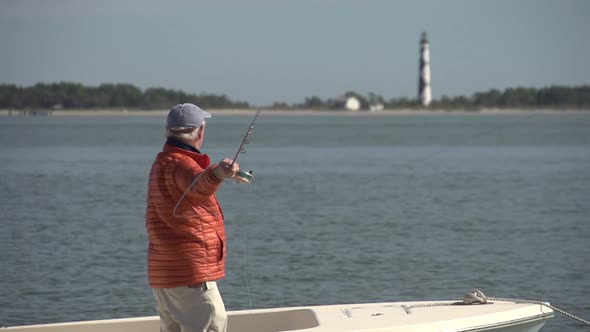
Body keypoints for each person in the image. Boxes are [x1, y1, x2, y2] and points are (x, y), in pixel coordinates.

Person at [145, 103, 239, 332]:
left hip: (165, 275)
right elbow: (197, 184)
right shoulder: (181, 164)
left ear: (168, 131)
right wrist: (218, 173)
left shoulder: (161, 162)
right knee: (212, 324)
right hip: (190, 275)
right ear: (200, 131)